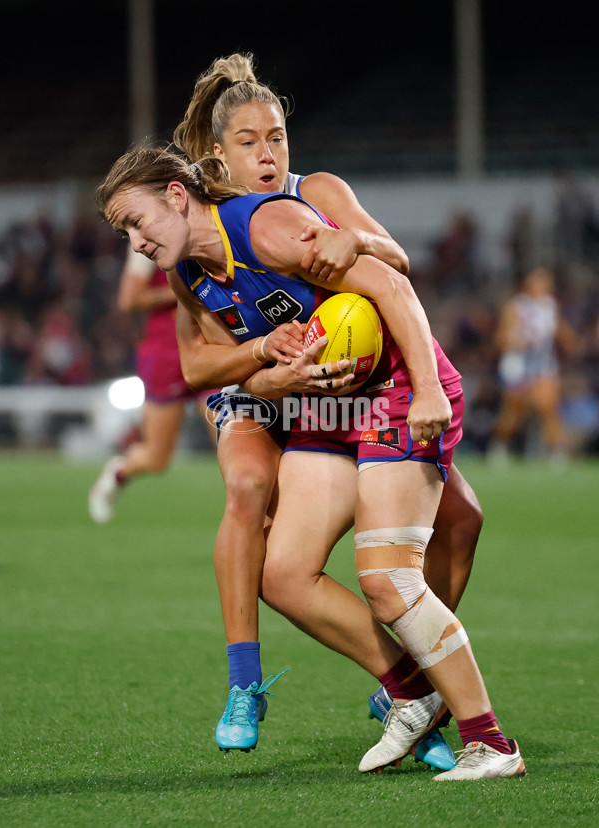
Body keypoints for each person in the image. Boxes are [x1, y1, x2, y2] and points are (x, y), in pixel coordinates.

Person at [95, 144, 526, 781]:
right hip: (325, 409)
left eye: (136, 221)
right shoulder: (187, 277)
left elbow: (392, 280)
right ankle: (412, 692)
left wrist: (430, 389)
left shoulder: (263, 225)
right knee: (283, 574)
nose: (134, 241)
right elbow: (248, 384)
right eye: (123, 232)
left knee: (388, 580)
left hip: (394, 392)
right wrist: (278, 367)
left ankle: (489, 741)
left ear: (177, 197)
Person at [170, 54, 483, 757]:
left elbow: (395, 260)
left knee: (462, 522)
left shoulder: (316, 191)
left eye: (276, 136)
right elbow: (203, 356)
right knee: (251, 489)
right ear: (218, 152)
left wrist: (360, 239)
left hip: (343, 390)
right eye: (248, 142)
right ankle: (245, 681)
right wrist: (260, 371)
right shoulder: (200, 234)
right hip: (263, 389)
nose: (267, 153)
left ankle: (409, 688)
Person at [88, 244, 216, 523]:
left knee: (233, 442)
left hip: (212, 342)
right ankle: (119, 471)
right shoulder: (147, 236)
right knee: (157, 459)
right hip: (167, 352)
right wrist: (187, 288)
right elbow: (129, 299)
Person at [488, 265, 580, 466]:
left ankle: (556, 452)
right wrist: (514, 340)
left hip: (543, 364)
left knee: (548, 407)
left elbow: (560, 331)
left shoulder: (550, 306)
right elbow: (502, 338)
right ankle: (500, 445)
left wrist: (573, 343)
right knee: (514, 411)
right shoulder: (517, 306)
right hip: (518, 364)